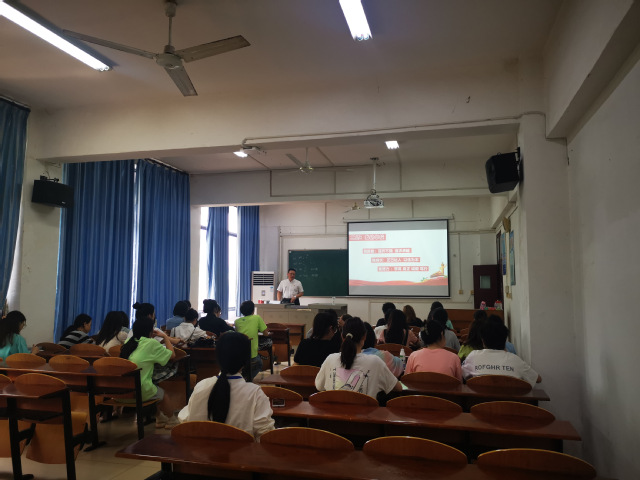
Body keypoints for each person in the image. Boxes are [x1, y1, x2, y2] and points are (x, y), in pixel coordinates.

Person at [178, 331, 274, 440]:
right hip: (241, 451)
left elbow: (185, 420)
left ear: (217, 357)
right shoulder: (255, 394)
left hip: (200, 450)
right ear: (246, 360)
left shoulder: (201, 386)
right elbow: (265, 435)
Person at [120, 302, 178, 428]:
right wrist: (165, 337)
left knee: (151, 387)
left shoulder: (129, 342)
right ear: (151, 331)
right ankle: (172, 420)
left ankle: (160, 418)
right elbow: (172, 355)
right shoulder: (150, 343)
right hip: (139, 390)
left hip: (122, 392)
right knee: (162, 394)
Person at [315, 317, 402, 398]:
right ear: (364, 336)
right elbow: (398, 388)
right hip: (366, 410)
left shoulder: (330, 359)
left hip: (333, 409)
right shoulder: (375, 362)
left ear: (342, 336)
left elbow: (319, 386)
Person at [462, 315, 541, 387]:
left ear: (482, 341)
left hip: (478, 398)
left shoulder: (473, 356)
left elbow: (462, 375)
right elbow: (538, 379)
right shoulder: (515, 360)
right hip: (509, 398)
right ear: (505, 340)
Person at [234, 300, 269, 381]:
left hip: (239, 354)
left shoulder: (237, 322)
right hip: (252, 354)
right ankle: (247, 379)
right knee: (259, 364)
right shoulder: (257, 318)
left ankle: (243, 377)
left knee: (246, 365)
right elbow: (266, 334)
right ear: (253, 310)